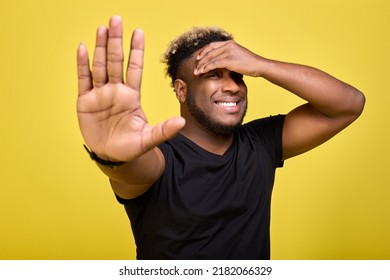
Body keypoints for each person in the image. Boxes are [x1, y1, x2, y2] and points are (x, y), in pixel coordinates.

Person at [76, 16, 365, 259]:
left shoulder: (260, 143)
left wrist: (262, 65)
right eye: (213, 75)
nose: (232, 87)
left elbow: (348, 105)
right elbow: (132, 170)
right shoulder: (161, 158)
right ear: (181, 90)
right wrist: (111, 157)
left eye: (238, 75)